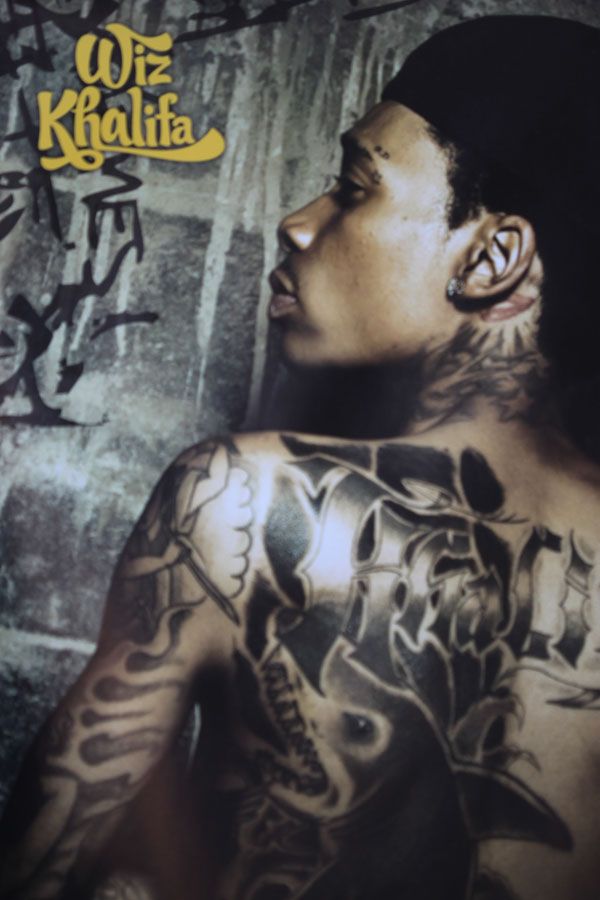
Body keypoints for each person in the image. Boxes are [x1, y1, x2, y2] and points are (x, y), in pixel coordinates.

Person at [2, 13, 600, 900]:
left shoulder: (243, 502)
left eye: (354, 189)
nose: (297, 223)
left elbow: (39, 869)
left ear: (492, 257)